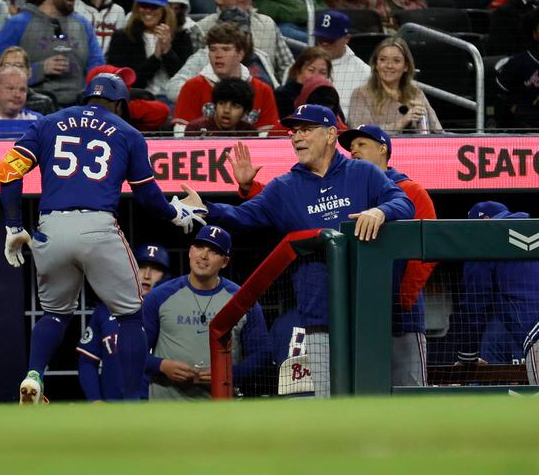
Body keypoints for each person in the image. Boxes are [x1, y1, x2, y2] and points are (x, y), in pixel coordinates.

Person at [0, 73, 206, 404]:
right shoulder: (128, 132)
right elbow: (147, 196)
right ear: (120, 104)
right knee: (131, 316)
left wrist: (13, 226)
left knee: (54, 315)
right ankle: (134, 400)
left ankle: (34, 374)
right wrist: (176, 214)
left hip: (51, 227)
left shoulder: (47, 122)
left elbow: (8, 173)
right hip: (98, 226)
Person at [180, 104, 415, 397]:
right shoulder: (285, 187)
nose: (296, 137)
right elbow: (241, 217)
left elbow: (404, 202)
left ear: (331, 134)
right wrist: (206, 209)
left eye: (306, 129)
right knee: (328, 401)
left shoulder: (363, 172)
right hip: (318, 316)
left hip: (368, 313)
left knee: (373, 397)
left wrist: (380, 212)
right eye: (294, 131)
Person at [338, 124, 436, 386]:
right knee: (366, 391)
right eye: (350, 147)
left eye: (361, 144)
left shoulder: (411, 190)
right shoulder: (350, 192)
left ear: (383, 149)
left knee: (410, 390)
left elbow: (427, 251)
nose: (353, 150)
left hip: (402, 314)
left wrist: (402, 297)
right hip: (358, 312)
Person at [143, 225, 273, 400]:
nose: (203, 256)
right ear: (190, 251)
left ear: (225, 262)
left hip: (219, 411)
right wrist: (162, 366)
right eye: (199, 247)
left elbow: (262, 355)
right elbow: (131, 351)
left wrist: (227, 374)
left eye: (213, 251)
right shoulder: (159, 297)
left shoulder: (242, 300)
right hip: (167, 409)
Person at [457, 201, 539, 385]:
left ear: (485, 220)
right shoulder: (532, 227)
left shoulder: (485, 238)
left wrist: (467, 355)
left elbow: (475, 305)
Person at [76, 244, 171, 401]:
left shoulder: (170, 311)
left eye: (155, 269)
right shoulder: (107, 309)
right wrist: (95, 401)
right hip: (115, 407)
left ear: (164, 275)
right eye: (141, 266)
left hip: (158, 405)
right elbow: (87, 361)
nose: (147, 275)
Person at [0, 0, 105, 108]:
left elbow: (98, 66)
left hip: (78, 107)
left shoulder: (83, 24)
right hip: (33, 106)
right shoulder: (17, 24)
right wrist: (40, 69)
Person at [172, 22, 279, 136]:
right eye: (213, 49)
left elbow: (269, 138)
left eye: (226, 49)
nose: (218, 55)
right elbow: (180, 137)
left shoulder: (263, 90)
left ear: (240, 54)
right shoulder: (192, 87)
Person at [163, 7, 279, 103]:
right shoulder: (204, 56)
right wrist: (211, 97)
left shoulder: (261, 56)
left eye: (242, 33)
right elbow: (173, 88)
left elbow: (275, 90)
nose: (238, 39)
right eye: (228, 35)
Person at [348, 37, 442, 134]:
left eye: (396, 61)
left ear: (406, 66)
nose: (389, 66)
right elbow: (361, 133)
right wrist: (401, 122)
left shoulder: (415, 93)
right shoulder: (361, 94)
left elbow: (438, 131)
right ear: (376, 64)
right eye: (383, 59)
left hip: (416, 148)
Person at [105, 0, 193, 97]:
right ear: (137, 8)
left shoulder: (181, 37)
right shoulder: (122, 38)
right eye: (143, 5)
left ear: (164, 9)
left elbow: (186, 81)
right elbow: (126, 82)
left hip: (174, 100)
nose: (148, 11)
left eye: (154, 6)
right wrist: (155, 58)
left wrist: (167, 51)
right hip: (137, 100)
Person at [196, 0, 293, 83]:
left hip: (265, 92)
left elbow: (288, 66)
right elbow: (194, 68)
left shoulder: (267, 23)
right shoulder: (202, 28)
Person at [312, 11, 370, 116]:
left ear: (346, 39)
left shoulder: (364, 72)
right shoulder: (301, 66)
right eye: (320, 39)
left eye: (330, 40)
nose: (324, 44)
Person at [85, 63, 170, 131]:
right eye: (115, 83)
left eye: (122, 81)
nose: (122, 85)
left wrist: (125, 109)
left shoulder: (127, 108)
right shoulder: (79, 116)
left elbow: (162, 111)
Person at [0, 46, 55, 115]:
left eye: (18, 65)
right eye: (7, 65)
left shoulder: (43, 103)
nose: (13, 70)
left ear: (29, 73)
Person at [495, 8, 539, 131]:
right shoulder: (519, 62)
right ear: (535, 33)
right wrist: (515, 108)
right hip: (525, 129)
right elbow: (502, 95)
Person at [185, 76, 257, 136]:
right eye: (222, 103)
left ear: (245, 111)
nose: (226, 110)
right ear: (215, 105)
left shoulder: (249, 133)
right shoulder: (196, 129)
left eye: (235, 106)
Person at [273, 46, 332, 119]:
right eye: (311, 70)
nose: (316, 76)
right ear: (298, 71)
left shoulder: (329, 96)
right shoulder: (282, 95)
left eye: (322, 72)